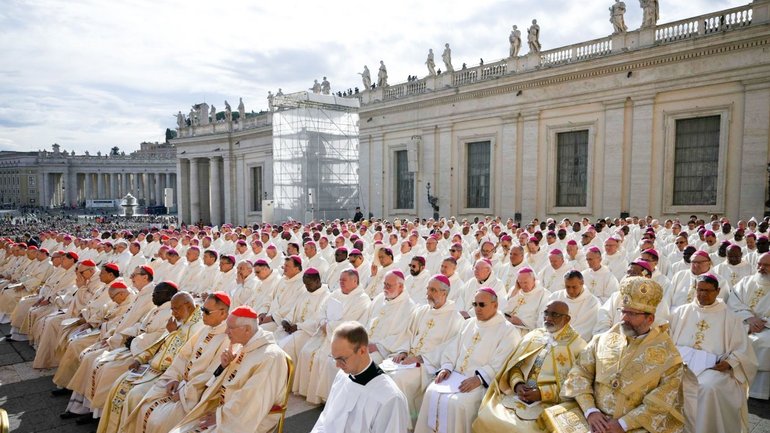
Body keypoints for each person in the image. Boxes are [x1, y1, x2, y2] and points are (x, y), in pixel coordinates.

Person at [558, 276, 685, 433]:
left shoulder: (669, 357)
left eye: (632, 313)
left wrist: (623, 424)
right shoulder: (601, 340)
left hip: (635, 426)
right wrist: (591, 411)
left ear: (650, 318)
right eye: (623, 311)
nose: (624, 318)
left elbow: (661, 401)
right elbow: (579, 374)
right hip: (592, 418)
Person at [121, 292, 231, 433]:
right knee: (142, 405)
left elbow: (210, 375)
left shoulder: (227, 338)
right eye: (202, 309)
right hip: (180, 383)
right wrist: (173, 377)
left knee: (157, 420)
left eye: (206, 311)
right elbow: (183, 356)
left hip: (195, 395)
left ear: (222, 313)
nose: (202, 313)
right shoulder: (205, 329)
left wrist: (185, 391)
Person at [414, 288, 520, 433]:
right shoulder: (469, 323)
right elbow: (453, 347)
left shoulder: (508, 331)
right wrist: (446, 367)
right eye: (474, 304)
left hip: (482, 383)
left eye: (482, 305)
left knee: (459, 404)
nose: (477, 309)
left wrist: (479, 378)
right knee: (431, 391)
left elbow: (502, 361)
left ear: (495, 305)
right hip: (455, 377)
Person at [169, 306, 289, 433]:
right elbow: (228, 383)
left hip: (246, 419)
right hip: (226, 410)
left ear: (247, 329)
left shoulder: (270, 357)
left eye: (230, 328)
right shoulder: (244, 347)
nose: (226, 332)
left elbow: (253, 401)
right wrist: (223, 367)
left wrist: (221, 417)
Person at [472, 300, 587, 432]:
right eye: (546, 313)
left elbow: (576, 384)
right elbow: (515, 366)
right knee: (487, 416)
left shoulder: (577, 346)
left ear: (567, 319)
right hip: (519, 394)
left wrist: (542, 393)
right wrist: (518, 384)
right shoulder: (533, 335)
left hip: (550, 402)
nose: (548, 318)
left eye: (555, 314)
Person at [96, 292, 202, 433]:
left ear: (188, 305)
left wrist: (173, 333)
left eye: (176, 309)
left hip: (167, 375)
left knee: (134, 396)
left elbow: (186, 357)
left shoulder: (199, 327)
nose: (173, 313)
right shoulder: (180, 320)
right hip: (150, 369)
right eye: (172, 309)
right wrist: (140, 359)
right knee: (120, 383)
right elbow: (158, 344)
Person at [670, 274, 757, 433]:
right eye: (699, 290)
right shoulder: (680, 312)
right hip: (680, 364)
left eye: (708, 291)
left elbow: (743, 350)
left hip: (713, 369)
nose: (702, 294)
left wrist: (729, 363)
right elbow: (667, 340)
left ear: (717, 291)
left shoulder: (731, 317)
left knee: (708, 387)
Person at [386, 275, 464, 426]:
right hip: (409, 358)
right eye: (428, 289)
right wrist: (403, 351)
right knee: (384, 372)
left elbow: (449, 348)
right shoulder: (421, 311)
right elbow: (408, 333)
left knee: (397, 379)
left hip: (427, 365)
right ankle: (387, 418)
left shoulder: (455, 318)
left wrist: (420, 358)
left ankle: (403, 423)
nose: (428, 293)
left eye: (433, 290)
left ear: (444, 293)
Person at [310, 321, 409, 432]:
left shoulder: (390, 398)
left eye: (342, 359)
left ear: (362, 351)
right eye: (334, 358)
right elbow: (325, 421)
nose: (337, 365)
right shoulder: (342, 376)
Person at [727, 252, 770, 399]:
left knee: (765, 343)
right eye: (759, 264)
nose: (761, 268)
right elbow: (733, 302)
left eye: (766, 265)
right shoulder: (746, 281)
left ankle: (759, 390)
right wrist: (749, 319)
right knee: (730, 337)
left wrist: (762, 322)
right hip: (743, 323)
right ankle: (733, 381)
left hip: (767, 328)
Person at [544, 270, 600, 341]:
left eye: (574, 287)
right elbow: (544, 320)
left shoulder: (593, 302)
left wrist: (565, 339)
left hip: (577, 342)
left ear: (582, 283)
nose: (570, 291)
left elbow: (587, 329)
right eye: (567, 287)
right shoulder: (555, 297)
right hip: (552, 339)